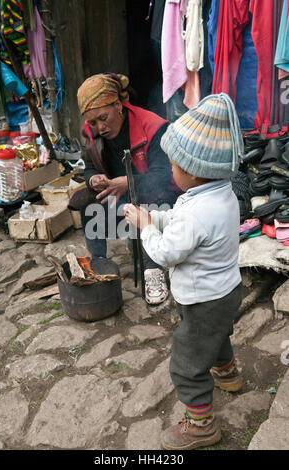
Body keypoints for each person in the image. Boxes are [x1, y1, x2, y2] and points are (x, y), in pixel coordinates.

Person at [124, 93, 244, 450]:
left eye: (174, 164)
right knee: (215, 334)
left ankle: (201, 425)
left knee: (188, 360)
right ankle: (228, 375)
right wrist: (155, 217)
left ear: (190, 170)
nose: (170, 170)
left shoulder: (195, 211)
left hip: (203, 297)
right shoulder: (220, 194)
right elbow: (180, 224)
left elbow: (165, 251)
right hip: (225, 292)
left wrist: (147, 227)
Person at [72, 72, 181, 305]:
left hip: (161, 197)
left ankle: (153, 268)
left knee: (147, 205)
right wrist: (94, 180)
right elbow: (89, 167)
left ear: (118, 105)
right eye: (92, 122)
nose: (99, 127)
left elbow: (164, 176)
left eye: (103, 117)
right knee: (87, 203)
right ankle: (98, 263)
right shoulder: (90, 132)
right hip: (120, 196)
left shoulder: (153, 127)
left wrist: (127, 182)